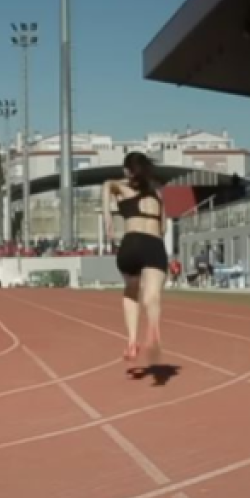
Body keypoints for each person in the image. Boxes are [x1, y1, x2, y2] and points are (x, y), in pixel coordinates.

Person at [103, 152, 168, 362]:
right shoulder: (158, 194)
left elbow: (106, 185)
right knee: (152, 296)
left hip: (131, 243)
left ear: (127, 171)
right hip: (155, 245)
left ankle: (132, 341)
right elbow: (164, 227)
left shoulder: (123, 187)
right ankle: (154, 329)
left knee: (131, 290)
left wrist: (108, 219)